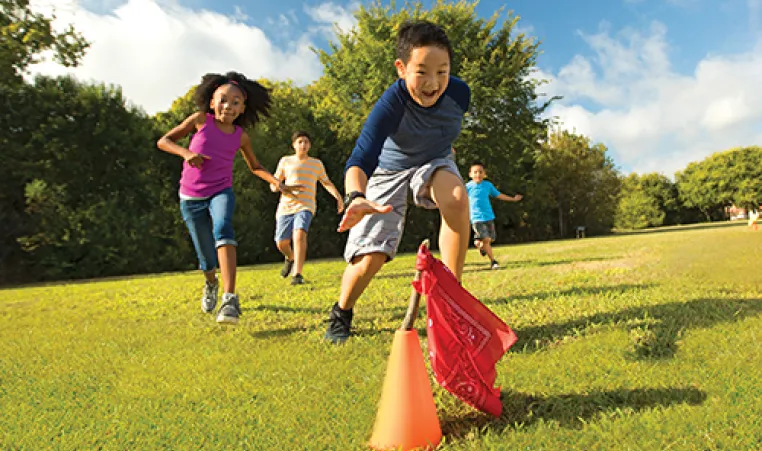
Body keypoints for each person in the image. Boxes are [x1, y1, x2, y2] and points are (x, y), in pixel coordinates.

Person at [324, 20, 471, 344]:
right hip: (389, 171)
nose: (433, 84)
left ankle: (450, 302)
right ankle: (342, 311)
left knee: (457, 198)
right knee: (370, 259)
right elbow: (359, 160)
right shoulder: (391, 104)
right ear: (401, 68)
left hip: (434, 161)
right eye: (422, 72)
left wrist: (444, 151)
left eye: (442, 71)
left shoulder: (460, 94)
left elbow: (443, 127)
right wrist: (355, 197)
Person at [157, 71, 298, 325]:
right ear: (211, 102)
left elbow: (255, 166)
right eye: (223, 100)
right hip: (190, 197)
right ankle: (211, 282)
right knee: (205, 255)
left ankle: (230, 298)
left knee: (223, 228)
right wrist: (185, 153)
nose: (228, 106)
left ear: (243, 108)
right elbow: (164, 141)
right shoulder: (200, 120)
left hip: (221, 191)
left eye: (235, 102)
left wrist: (276, 181)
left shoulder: (240, 136)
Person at [270, 130, 344, 285]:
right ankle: (290, 257)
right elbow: (273, 185)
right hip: (285, 207)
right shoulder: (285, 161)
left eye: (306, 142)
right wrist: (282, 187)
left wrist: (338, 197)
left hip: (306, 205)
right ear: (294, 145)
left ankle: (297, 274)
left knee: (300, 234)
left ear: (310, 145)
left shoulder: (316, 164)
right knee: (281, 242)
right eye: (300, 142)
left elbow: (326, 182)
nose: (303, 145)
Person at [466, 161, 522, 269]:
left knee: (490, 239)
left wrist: (513, 199)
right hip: (476, 218)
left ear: (484, 174)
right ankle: (493, 261)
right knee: (486, 239)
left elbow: (499, 195)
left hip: (488, 216)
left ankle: (479, 245)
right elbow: (459, 198)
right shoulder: (467, 187)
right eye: (475, 172)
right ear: (470, 174)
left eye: (480, 172)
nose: (478, 174)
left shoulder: (488, 185)